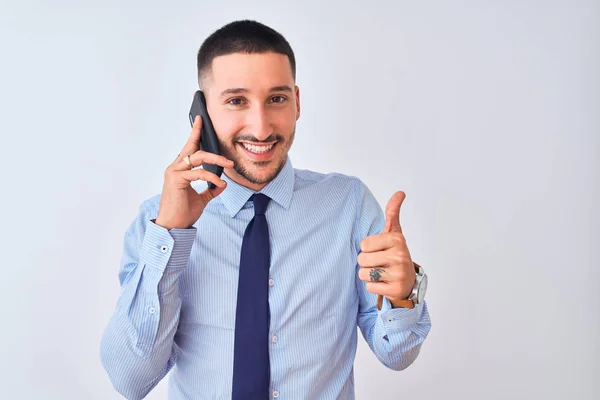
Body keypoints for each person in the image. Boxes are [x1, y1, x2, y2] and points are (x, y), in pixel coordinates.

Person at [100, 19, 431, 400]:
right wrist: (171, 236)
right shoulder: (156, 223)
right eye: (236, 100)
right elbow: (129, 379)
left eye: (276, 98)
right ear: (202, 113)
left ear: (297, 102)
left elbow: (398, 353)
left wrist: (404, 294)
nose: (260, 129)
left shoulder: (349, 206)